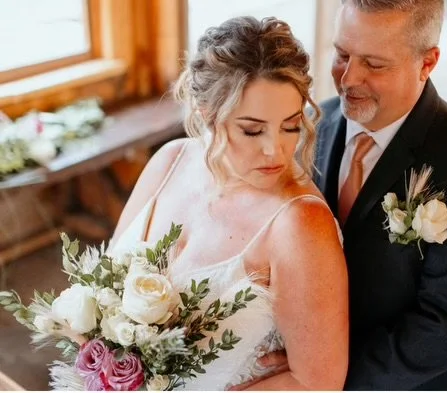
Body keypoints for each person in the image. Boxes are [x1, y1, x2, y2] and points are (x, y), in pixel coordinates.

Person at [251, 0, 447, 390]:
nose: (348, 79)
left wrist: (325, 370)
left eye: (374, 64)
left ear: (427, 64)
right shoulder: (308, 127)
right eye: (342, 54)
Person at [109, 16, 348, 391]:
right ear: (207, 114)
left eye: (289, 126)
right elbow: (108, 285)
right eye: (252, 129)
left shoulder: (299, 225)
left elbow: (317, 382)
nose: (276, 150)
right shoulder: (169, 161)